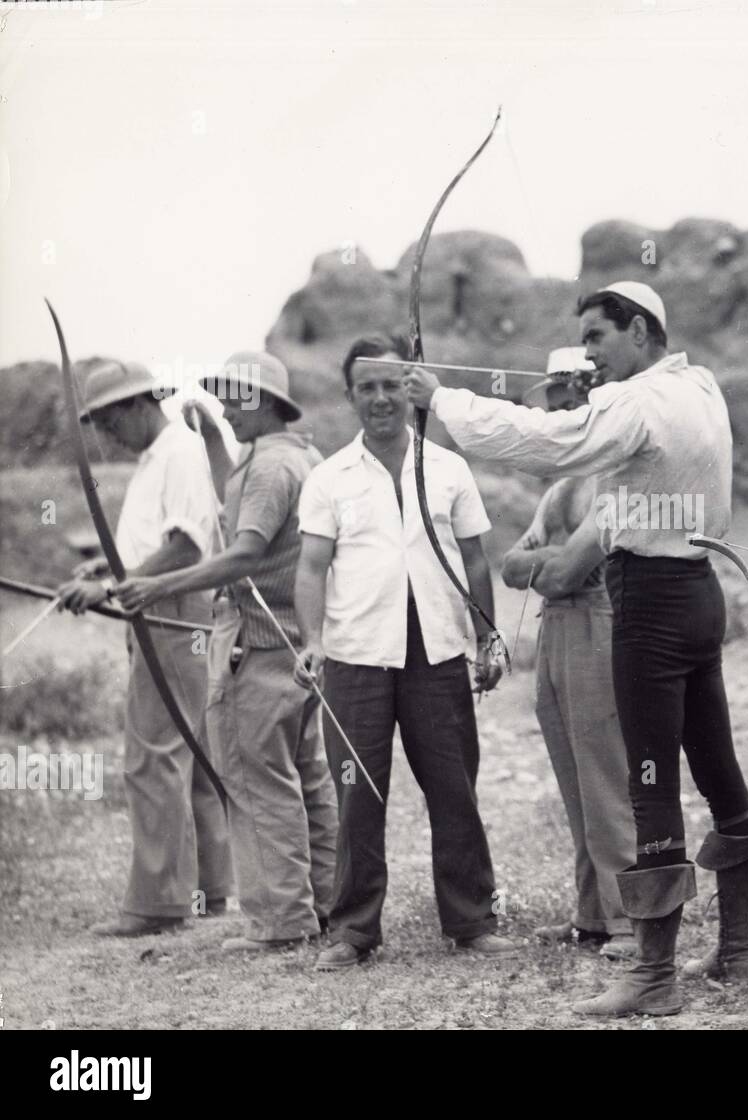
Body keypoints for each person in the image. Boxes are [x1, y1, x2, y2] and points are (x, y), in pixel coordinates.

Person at [405, 282, 748, 1017]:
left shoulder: (637, 401)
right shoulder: (699, 388)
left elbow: (548, 443)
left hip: (649, 605)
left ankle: (655, 976)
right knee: (718, 771)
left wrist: (443, 401)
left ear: (639, 331)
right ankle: (737, 951)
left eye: (599, 338)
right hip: (699, 593)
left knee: (648, 784)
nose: (590, 354)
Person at [294, 334, 519, 970]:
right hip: (356, 656)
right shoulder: (328, 477)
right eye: (367, 387)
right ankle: (353, 932)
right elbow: (312, 569)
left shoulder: (448, 468)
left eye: (392, 384)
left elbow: (475, 558)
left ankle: (472, 920)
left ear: (411, 387)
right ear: (350, 396)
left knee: (453, 788)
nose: (382, 398)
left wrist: (488, 636)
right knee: (356, 794)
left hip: (439, 652)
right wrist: (312, 643)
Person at [116, 352, 338, 953]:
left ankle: (280, 921)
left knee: (257, 782)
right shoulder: (298, 457)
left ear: (265, 403)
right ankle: (323, 905)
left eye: (233, 401)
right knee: (306, 779)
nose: (225, 410)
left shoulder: (269, 468)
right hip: (300, 647)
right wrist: (215, 439)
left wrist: (157, 585)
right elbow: (240, 506)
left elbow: (244, 551)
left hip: (258, 649)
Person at [57, 360, 231, 936]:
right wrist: (108, 565)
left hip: (173, 613)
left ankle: (159, 904)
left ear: (136, 407)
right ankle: (209, 891)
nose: (105, 435)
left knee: (153, 757)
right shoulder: (156, 459)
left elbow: (185, 547)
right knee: (191, 755)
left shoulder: (179, 453)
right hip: (164, 610)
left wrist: (108, 587)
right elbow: (155, 541)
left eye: (108, 421)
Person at [502, 348, 637, 961]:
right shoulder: (560, 484)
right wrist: (545, 566)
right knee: (573, 775)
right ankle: (592, 915)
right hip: (557, 631)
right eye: (551, 399)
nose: (554, 408)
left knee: (605, 774)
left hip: (599, 624)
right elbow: (515, 565)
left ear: (587, 394)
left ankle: (631, 920)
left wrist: (545, 567)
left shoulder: (612, 471)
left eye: (563, 396)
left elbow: (561, 571)